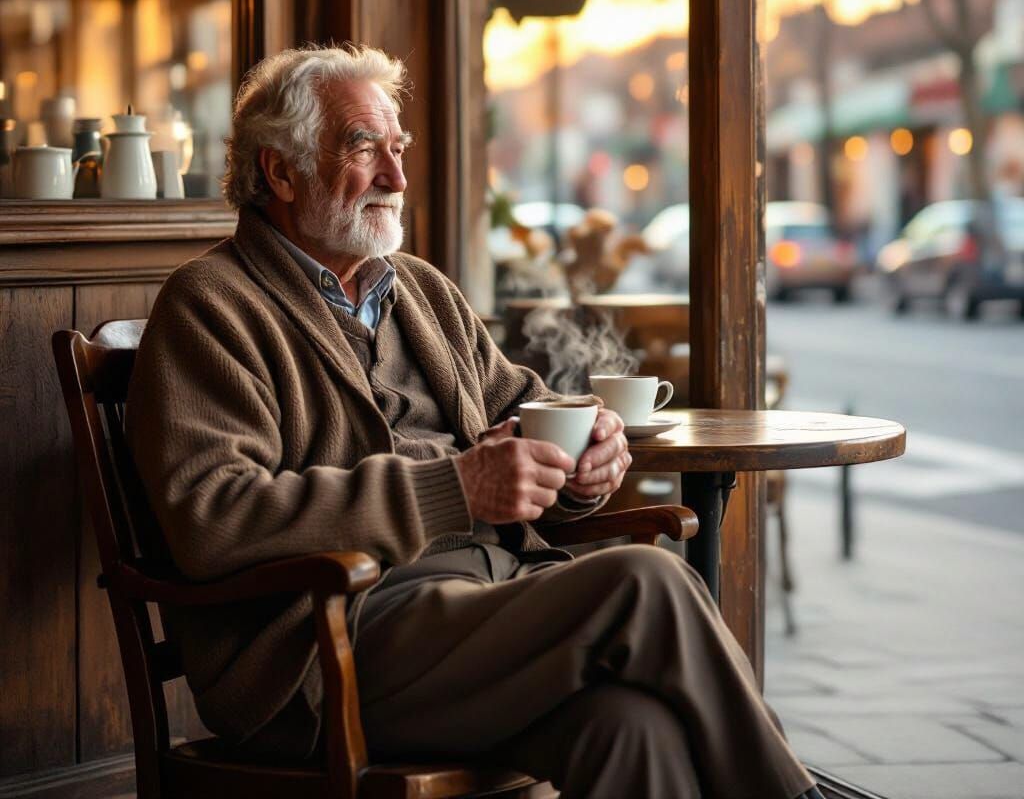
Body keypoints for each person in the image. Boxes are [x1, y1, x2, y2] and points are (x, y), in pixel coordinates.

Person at [126, 44, 823, 799]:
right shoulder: (210, 305)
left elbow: (522, 420)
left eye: (398, 148)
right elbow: (213, 518)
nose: (395, 176)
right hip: (328, 646)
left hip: (487, 604)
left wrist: (589, 463)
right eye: (364, 148)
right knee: (645, 580)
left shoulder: (422, 291)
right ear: (280, 172)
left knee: (630, 730)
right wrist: (452, 489)